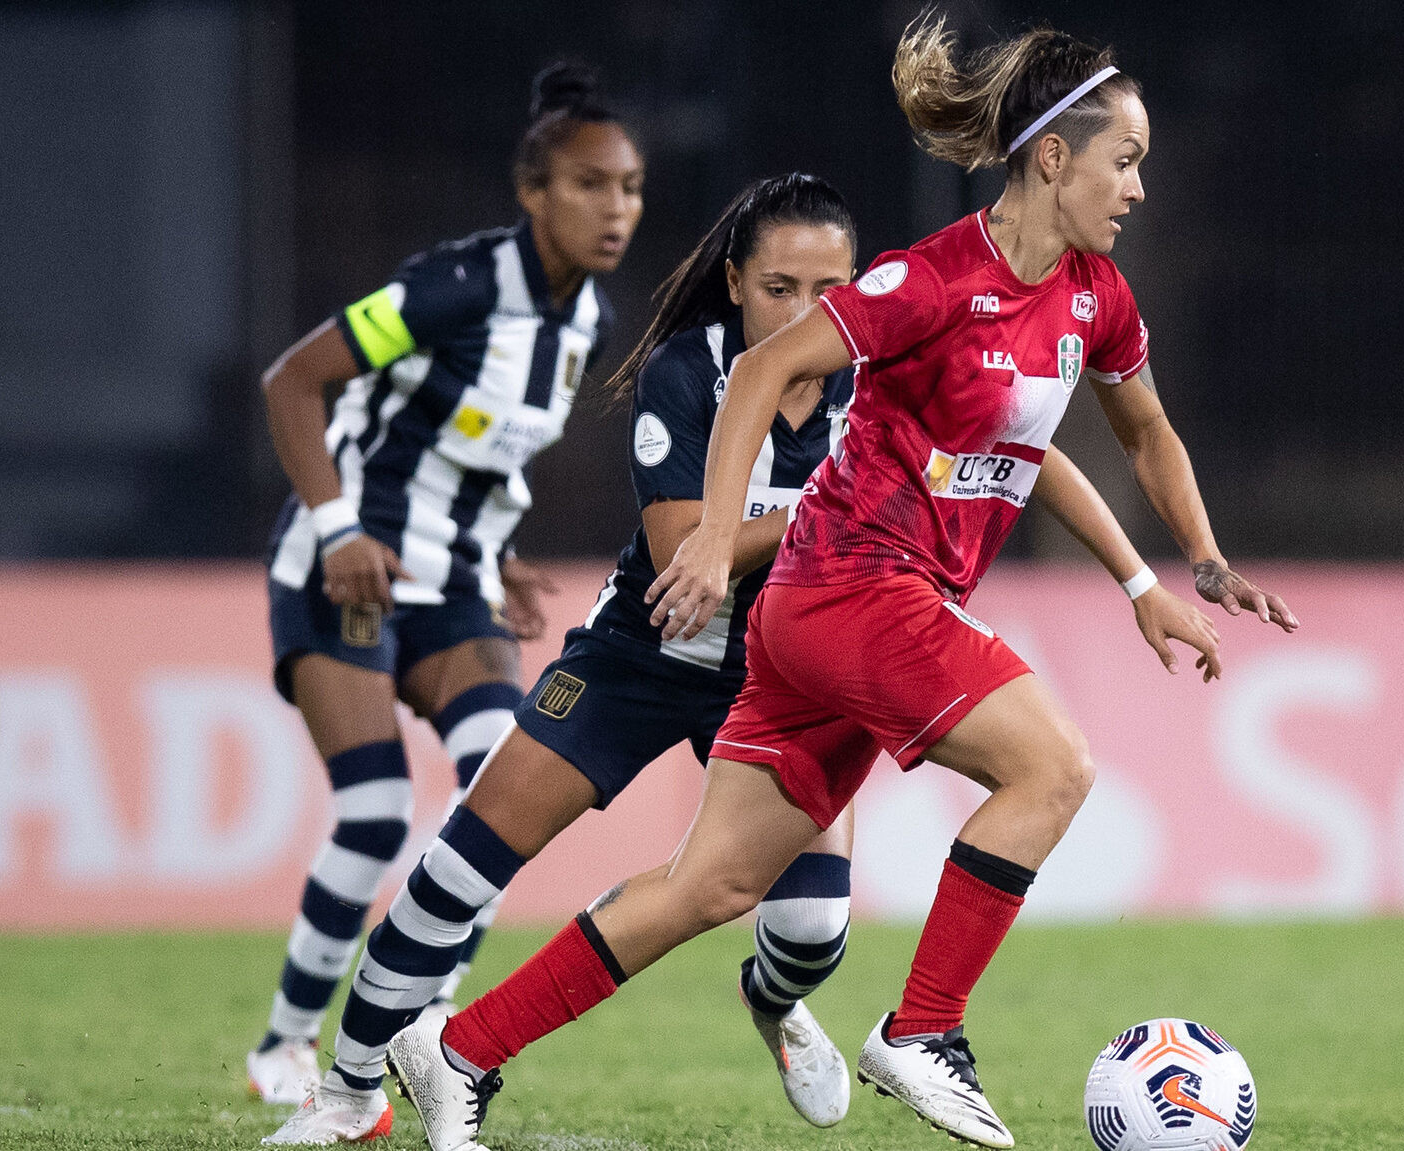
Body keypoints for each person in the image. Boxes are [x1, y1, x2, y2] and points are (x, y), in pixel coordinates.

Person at [384, 16, 1296, 1151]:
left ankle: (457, 1047)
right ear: (1053, 157)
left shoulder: (1092, 297)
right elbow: (762, 368)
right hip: (853, 587)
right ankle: (923, 1031)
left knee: (708, 885)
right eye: (1126, 160)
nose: (1140, 188)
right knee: (1052, 765)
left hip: (832, 619)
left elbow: (1142, 429)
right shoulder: (929, 280)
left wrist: (1183, 567)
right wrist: (716, 534)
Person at [264, 170, 1187, 1146]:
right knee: (457, 869)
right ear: (737, 282)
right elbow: (679, 551)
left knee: (807, 934)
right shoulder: (686, 370)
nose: (804, 311)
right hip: (643, 656)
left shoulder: (886, 360)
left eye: (828, 289)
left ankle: (775, 1003)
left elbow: (1023, 449)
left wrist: (1140, 577)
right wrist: (839, 504)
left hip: (779, 666)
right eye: (779, 287)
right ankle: (346, 1093)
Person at [245, 60, 643, 1112]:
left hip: (456, 574)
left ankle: (419, 1016)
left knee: (494, 794)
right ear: (534, 192)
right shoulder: (449, 289)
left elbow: (486, 454)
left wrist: (499, 548)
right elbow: (294, 380)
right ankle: (286, 1040)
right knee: (375, 810)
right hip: (350, 562)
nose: (617, 209)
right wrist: (337, 526)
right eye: (591, 185)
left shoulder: (586, 321)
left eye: (631, 187)